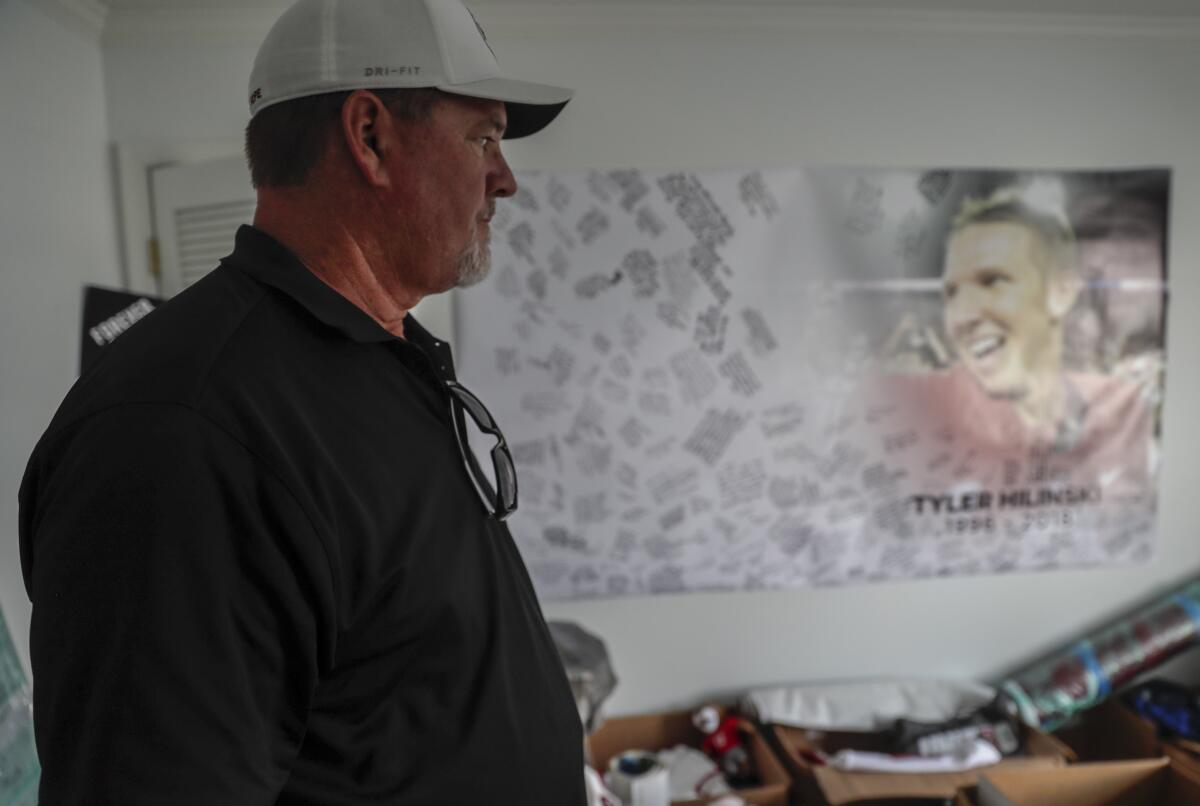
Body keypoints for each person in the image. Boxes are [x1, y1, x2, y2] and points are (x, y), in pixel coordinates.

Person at [18, 0, 585, 802]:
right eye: (483, 137)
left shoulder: (370, 357)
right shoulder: (182, 431)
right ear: (370, 136)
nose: (506, 179)